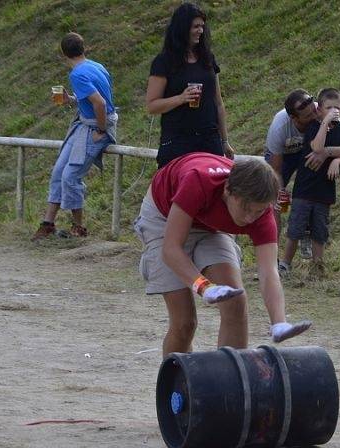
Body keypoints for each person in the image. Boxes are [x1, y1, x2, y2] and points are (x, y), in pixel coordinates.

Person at [133, 152, 312, 357]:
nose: (250, 218)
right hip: (165, 215)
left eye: (258, 211)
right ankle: (175, 378)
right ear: (228, 190)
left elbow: (269, 271)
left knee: (236, 302)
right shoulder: (197, 181)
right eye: (246, 209)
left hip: (212, 222)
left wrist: (279, 322)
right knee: (184, 323)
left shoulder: (261, 213)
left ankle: (232, 376)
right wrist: (204, 286)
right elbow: (171, 249)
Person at [31, 32, 117, 240]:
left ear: (63, 53)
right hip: (84, 125)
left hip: (95, 127)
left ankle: (78, 228)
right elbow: (94, 98)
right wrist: (70, 99)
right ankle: (48, 223)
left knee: (70, 176)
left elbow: (100, 103)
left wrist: (101, 130)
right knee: (59, 171)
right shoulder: (96, 66)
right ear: (83, 48)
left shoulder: (77, 74)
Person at [279, 88, 340, 277]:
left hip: (324, 191)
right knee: (295, 229)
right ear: (319, 109)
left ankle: (317, 269)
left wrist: (337, 159)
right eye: (329, 108)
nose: (334, 111)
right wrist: (324, 122)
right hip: (304, 190)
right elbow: (317, 147)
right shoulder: (314, 126)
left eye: (337, 108)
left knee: (320, 232)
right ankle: (285, 264)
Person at [145, 2, 234, 168]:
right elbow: (152, 106)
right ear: (182, 28)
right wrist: (181, 98)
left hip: (209, 140)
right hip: (178, 142)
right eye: (195, 26)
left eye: (202, 26)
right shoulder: (164, 61)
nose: (200, 30)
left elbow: (218, 102)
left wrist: (224, 141)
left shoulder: (207, 58)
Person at [264, 89, 328, 258]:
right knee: (275, 202)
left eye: (314, 111)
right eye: (308, 116)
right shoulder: (279, 127)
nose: (314, 117)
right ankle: (272, 254)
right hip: (283, 157)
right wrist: (280, 192)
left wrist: (328, 154)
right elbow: (276, 170)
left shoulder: (321, 112)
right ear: (294, 118)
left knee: (310, 193)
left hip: (309, 152)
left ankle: (306, 230)